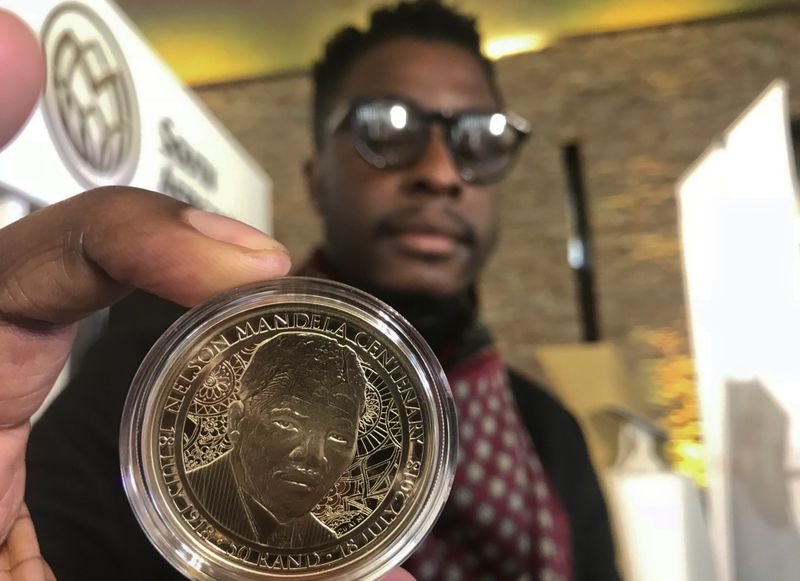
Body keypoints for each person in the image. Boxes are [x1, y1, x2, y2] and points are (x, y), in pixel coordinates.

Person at [14, 2, 619, 580]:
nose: (439, 174)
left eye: (480, 139)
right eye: (386, 127)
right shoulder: (156, 381)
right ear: (315, 179)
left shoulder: (549, 432)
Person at [186, 333, 366, 547]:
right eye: (288, 424)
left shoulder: (323, 542)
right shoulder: (184, 501)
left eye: (338, 437)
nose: (315, 457)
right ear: (236, 422)